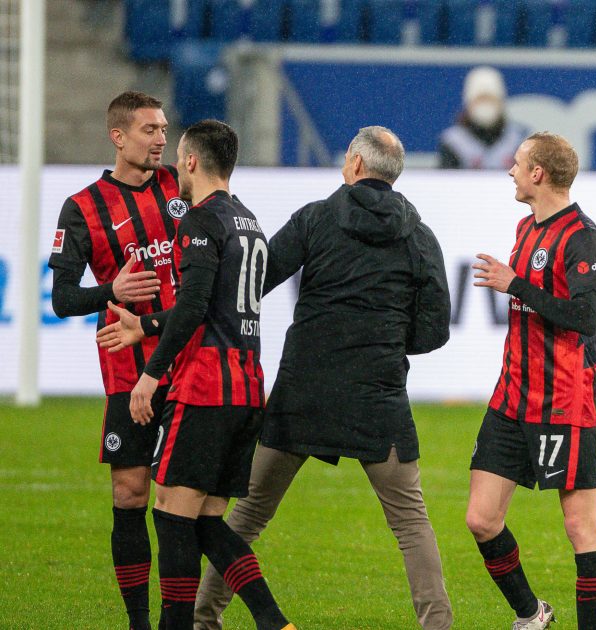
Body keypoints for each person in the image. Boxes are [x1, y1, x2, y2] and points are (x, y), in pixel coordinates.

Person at [101, 126, 456, 629]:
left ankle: (204, 618)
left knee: (245, 514)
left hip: (301, 394)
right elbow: (435, 329)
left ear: (355, 165)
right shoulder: (419, 237)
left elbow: (251, 285)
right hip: (378, 399)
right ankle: (437, 626)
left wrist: (161, 324)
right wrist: (386, 346)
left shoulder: (317, 218)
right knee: (410, 523)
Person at [126, 119, 293, 630]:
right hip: (247, 388)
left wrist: (151, 374)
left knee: (172, 515)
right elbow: (218, 303)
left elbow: (195, 305)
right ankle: (273, 621)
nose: (176, 163)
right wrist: (150, 324)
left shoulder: (199, 222)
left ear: (193, 161)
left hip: (205, 386)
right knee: (204, 520)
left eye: (180, 155)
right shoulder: (249, 221)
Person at [48, 90, 183, 630]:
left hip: (187, 364)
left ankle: (183, 617)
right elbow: (62, 298)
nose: (161, 139)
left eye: (164, 129)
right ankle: (138, 624)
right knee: (130, 494)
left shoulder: (180, 184)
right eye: (149, 130)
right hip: (127, 375)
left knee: (183, 501)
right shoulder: (82, 208)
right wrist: (110, 290)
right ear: (118, 136)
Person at [466, 132, 596, 630]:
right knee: (481, 519)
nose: (510, 168)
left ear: (538, 174)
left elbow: (585, 317)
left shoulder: (582, 237)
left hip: (562, 399)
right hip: (511, 395)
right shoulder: (526, 228)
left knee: (579, 525)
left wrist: (515, 284)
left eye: (518, 161)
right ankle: (532, 614)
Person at [438, 65, 529, 169]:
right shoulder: (453, 142)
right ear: (469, 103)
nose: (485, 106)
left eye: (490, 99)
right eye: (480, 99)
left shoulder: (518, 139)